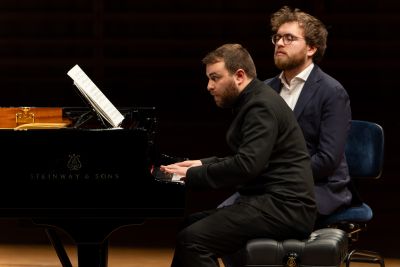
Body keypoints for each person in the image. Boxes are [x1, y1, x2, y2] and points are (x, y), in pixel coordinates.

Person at [160, 43, 316, 267]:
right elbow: (251, 159)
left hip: (285, 208)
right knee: (189, 226)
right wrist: (202, 163)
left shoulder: (260, 106)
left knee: (192, 241)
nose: (209, 86)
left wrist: (193, 174)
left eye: (215, 78)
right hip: (274, 202)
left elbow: (246, 166)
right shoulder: (254, 100)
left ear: (239, 76)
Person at [266, 6, 353, 223]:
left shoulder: (332, 92)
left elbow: (327, 159)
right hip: (269, 186)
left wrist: (277, 177)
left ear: (311, 48)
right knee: (208, 223)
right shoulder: (266, 90)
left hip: (316, 188)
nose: (279, 43)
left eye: (289, 38)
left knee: (237, 226)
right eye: (277, 37)